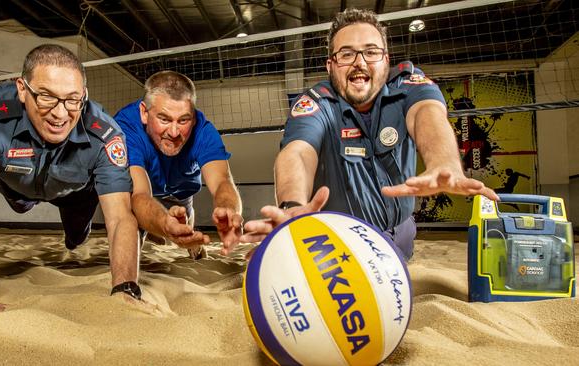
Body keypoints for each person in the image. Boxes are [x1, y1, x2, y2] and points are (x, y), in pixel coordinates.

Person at [241, 9, 498, 259]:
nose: (359, 62)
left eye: (371, 52)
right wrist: (292, 206)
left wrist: (445, 163)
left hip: (402, 237)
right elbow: (297, 151)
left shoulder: (408, 85)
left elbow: (427, 114)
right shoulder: (316, 104)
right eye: (346, 54)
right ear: (330, 65)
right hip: (342, 246)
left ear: (386, 60)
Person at [0, 44, 142, 318]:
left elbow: (120, 217)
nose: (60, 114)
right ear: (22, 88)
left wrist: (125, 289)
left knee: (77, 238)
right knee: (21, 204)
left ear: (85, 95)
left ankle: (73, 236)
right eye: (46, 97)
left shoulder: (106, 135)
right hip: (17, 186)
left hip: (75, 193)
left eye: (72, 100)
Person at [114, 71, 243, 259]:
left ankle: (193, 245)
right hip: (146, 189)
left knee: (188, 236)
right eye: (164, 119)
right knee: (139, 225)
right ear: (144, 112)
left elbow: (222, 181)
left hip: (183, 191)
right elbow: (139, 194)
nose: (174, 133)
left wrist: (229, 211)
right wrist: (164, 225)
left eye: (183, 120)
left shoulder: (204, 130)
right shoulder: (125, 128)